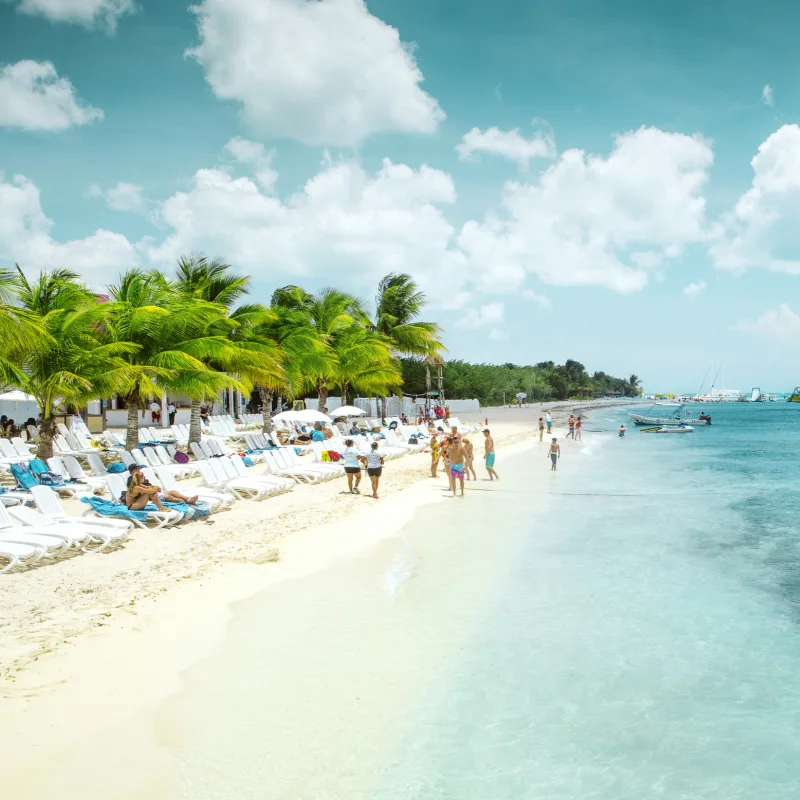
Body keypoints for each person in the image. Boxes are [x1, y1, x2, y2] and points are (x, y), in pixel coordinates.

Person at [124, 464, 197, 511]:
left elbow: (148, 487)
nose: (143, 477)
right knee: (152, 494)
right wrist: (154, 489)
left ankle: (187, 499)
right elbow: (148, 491)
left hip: (138, 503)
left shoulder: (138, 484)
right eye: (142, 477)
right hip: (133, 507)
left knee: (171, 492)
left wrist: (155, 488)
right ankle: (161, 508)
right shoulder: (135, 486)